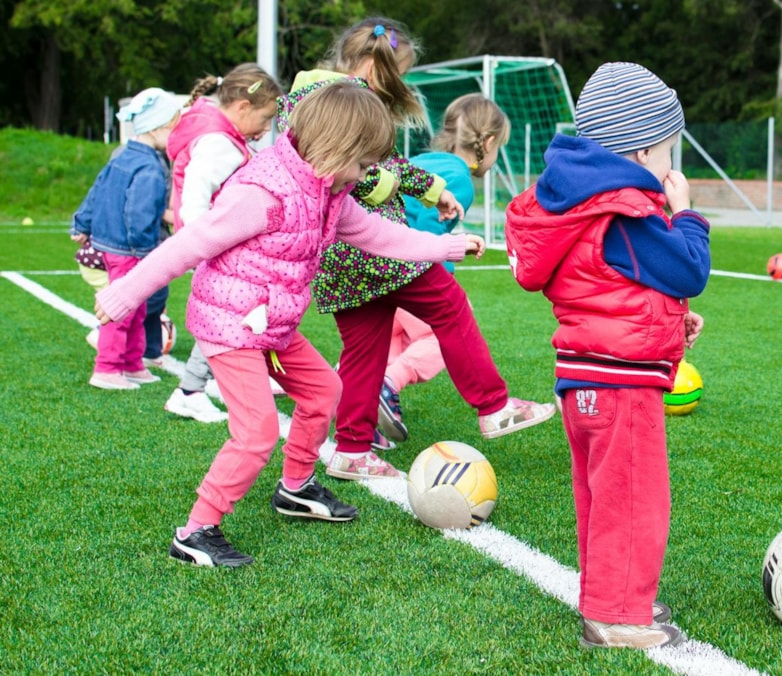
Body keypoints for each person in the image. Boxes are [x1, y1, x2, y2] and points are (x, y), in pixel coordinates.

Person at [93, 81, 485, 568]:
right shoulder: (262, 192)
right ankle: (195, 532)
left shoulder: (330, 190)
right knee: (256, 432)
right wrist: (125, 293)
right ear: (336, 148)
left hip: (272, 325)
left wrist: (445, 246)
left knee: (325, 391)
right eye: (364, 165)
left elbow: (376, 234)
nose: (368, 176)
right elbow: (189, 244)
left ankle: (295, 488)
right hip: (231, 325)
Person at [278, 17, 554, 483]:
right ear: (371, 65)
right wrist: (395, 191)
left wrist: (433, 191)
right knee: (449, 305)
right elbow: (354, 172)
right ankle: (493, 405)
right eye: (396, 74)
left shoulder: (312, 95)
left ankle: (351, 449)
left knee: (366, 348)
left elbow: (385, 162)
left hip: (338, 258)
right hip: (373, 247)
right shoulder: (339, 100)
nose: (398, 85)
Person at [504, 62, 711, 649]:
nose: (673, 165)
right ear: (644, 149)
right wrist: (687, 213)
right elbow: (688, 267)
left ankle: (611, 596)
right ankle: (617, 616)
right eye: (670, 149)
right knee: (633, 500)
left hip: (586, 377)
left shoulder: (581, 204)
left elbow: (610, 286)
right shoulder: (625, 211)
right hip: (620, 386)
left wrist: (671, 323)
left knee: (603, 497)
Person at [378, 93, 512, 444]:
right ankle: (388, 385)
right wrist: (445, 274)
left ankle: (354, 395)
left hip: (373, 267)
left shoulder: (424, 160)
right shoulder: (460, 180)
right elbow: (425, 232)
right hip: (403, 269)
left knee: (388, 341)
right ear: (488, 142)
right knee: (446, 329)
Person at [161, 63, 284, 424]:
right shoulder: (219, 144)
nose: (265, 131)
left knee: (235, 314)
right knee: (229, 316)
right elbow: (196, 199)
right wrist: (207, 243)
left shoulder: (220, 135)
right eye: (264, 119)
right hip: (217, 248)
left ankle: (203, 384)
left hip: (218, 245)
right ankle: (190, 390)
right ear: (243, 108)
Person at [71, 87, 182, 390]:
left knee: (138, 306)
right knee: (122, 308)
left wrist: (82, 222)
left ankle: (132, 363)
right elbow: (139, 212)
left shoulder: (123, 154)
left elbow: (97, 188)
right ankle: (107, 368)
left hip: (115, 244)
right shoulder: (148, 166)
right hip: (130, 249)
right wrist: (147, 252)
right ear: (158, 128)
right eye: (174, 127)